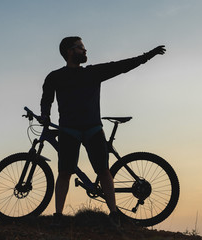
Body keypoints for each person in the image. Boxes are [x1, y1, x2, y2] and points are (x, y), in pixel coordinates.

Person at [39, 36, 166, 227]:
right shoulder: (55, 76)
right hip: (68, 130)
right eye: (81, 47)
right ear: (69, 51)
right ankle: (58, 216)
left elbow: (122, 66)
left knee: (104, 171)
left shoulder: (93, 72)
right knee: (64, 173)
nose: (85, 51)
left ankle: (114, 213)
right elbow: (46, 98)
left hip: (92, 128)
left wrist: (149, 55)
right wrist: (44, 115)